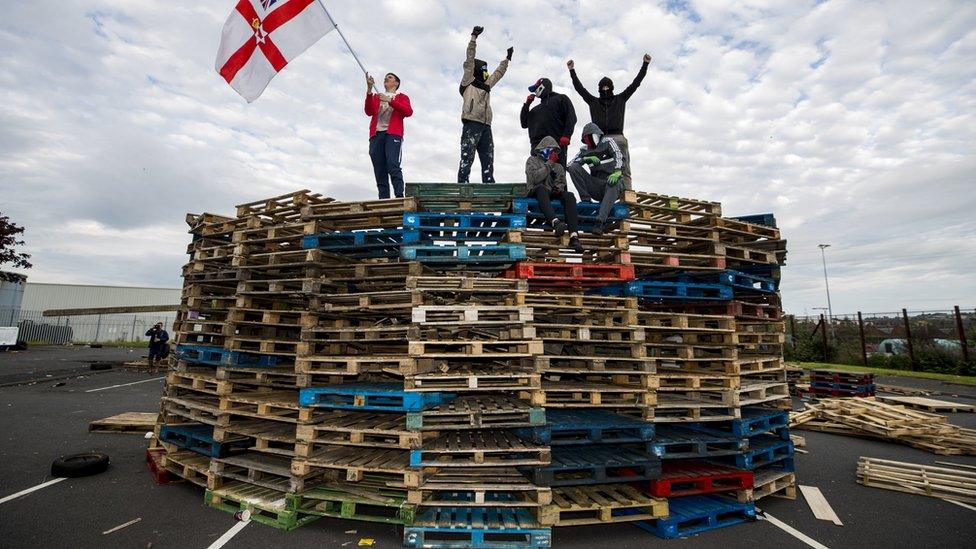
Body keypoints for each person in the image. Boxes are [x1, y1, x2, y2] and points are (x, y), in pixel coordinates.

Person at [567, 54, 651, 188]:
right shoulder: (593, 102)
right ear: (599, 89)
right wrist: (572, 71)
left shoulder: (620, 99)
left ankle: (626, 188)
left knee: (622, 159)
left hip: (617, 136)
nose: (605, 90)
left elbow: (636, 83)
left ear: (611, 88)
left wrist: (645, 64)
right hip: (599, 139)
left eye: (607, 87)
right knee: (596, 162)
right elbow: (580, 89)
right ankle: (598, 187)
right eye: (603, 88)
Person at [457, 26, 512, 183]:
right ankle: (463, 183)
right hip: (472, 123)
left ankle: (489, 183)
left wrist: (507, 59)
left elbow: (498, 73)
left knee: (488, 157)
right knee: (467, 156)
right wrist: (474, 37)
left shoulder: (487, 84)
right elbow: (469, 58)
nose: (486, 72)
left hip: (486, 125)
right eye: (484, 69)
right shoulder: (469, 80)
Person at [526, 136, 584, 253]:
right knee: (541, 188)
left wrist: (558, 188)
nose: (552, 153)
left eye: (554, 151)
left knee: (569, 196)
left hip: (551, 192)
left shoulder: (558, 166)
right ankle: (555, 222)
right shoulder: (532, 160)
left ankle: (574, 236)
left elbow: (561, 182)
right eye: (550, 150)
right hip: (536, 191)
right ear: (543, 149)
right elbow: (535, 179)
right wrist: (549, 163)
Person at [566, 122, 626, 236]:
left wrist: (618, 171)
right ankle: (585, 199)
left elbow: (618, 155)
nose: (589, 140)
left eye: (591, 136)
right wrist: (585, 159)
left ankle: (600, 221)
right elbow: (569, 166)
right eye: (586, 138)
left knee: (614, 183)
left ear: (598, 135)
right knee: (574, 167)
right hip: (596, 187)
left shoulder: (608, 142)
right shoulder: (584, 150)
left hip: (611, 183)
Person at [365, 72, 413, 199]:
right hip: (376, 135)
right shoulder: (376, 96)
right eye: (385, 77)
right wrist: (369, 89)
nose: (386, 78)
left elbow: (408, 112)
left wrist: (390, 101)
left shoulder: (402, 97)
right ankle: (384, 199)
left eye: (390, 77)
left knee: (392, 164)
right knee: (379, 169)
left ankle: (399, 195)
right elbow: (368, 111)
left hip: (393, 134)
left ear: (396, 83)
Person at [520, 77, 577, 166]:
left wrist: (567, 135)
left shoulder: (561, 99)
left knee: (557, 174)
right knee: (539, 175)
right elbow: (524, 123)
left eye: (536, 88)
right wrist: (527, 105)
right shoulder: (534, 110)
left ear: (543, 86)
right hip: (537, 148)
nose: (535, 91)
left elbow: (571, 117)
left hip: (556, 144)